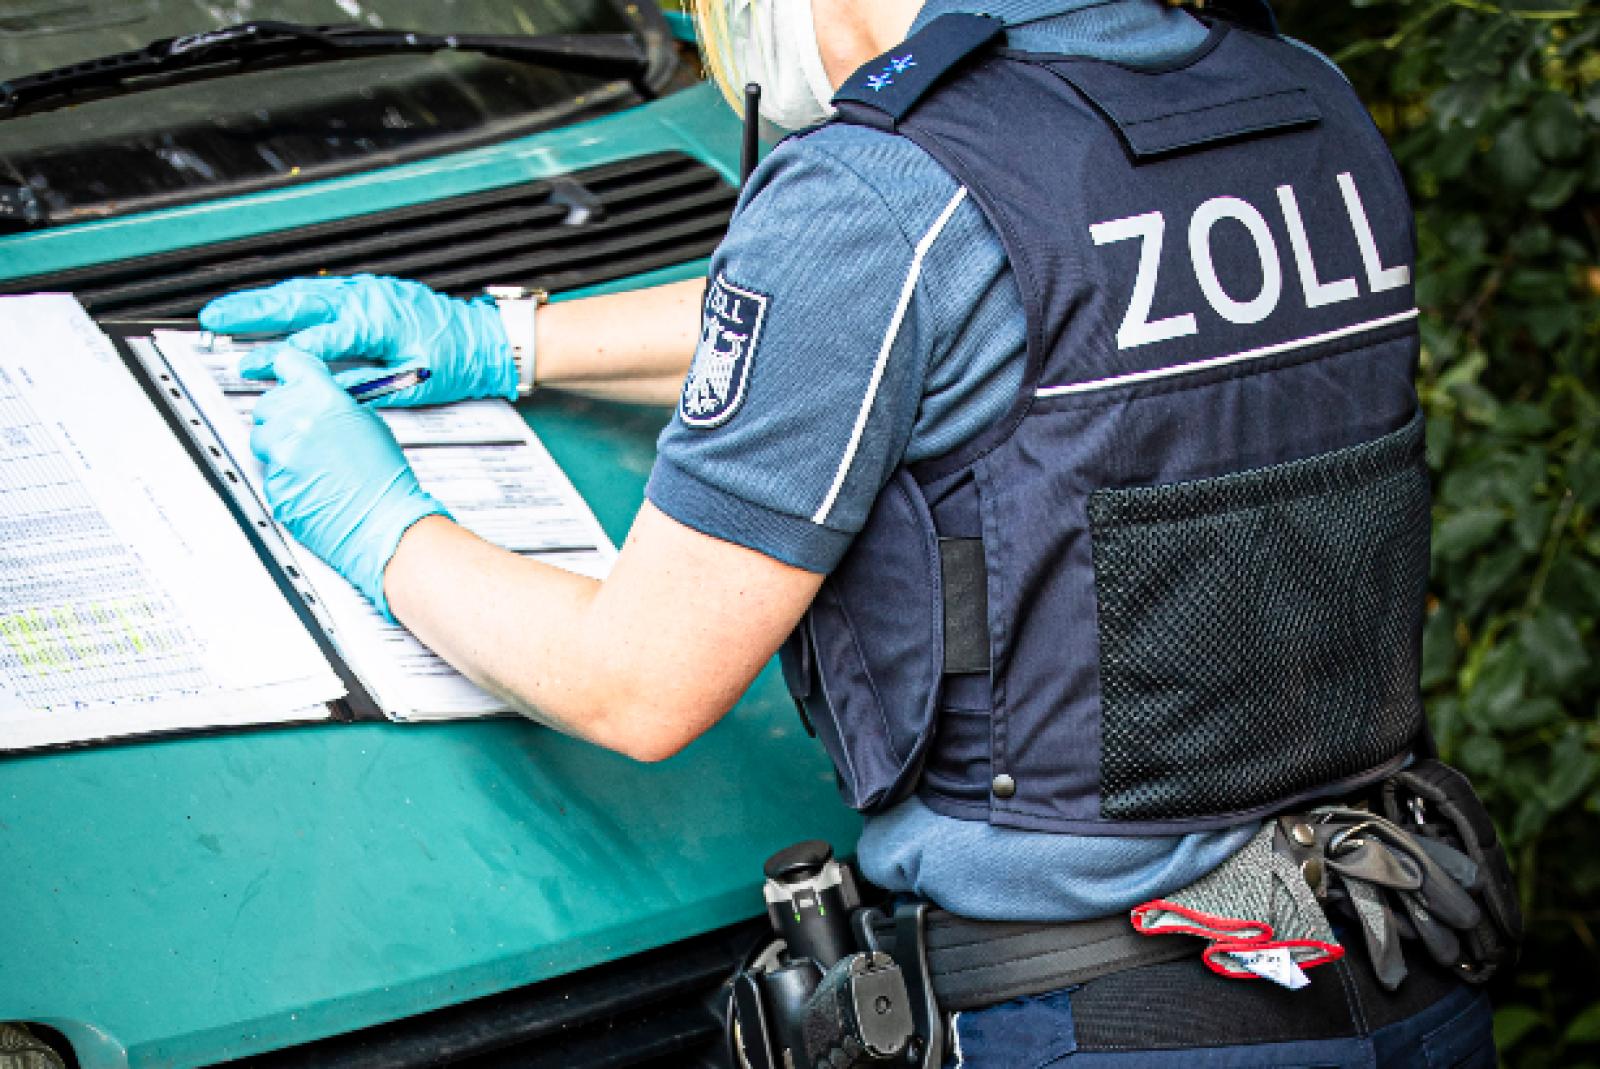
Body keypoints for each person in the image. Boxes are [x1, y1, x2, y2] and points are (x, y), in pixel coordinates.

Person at [200, 0, 1509, 1063]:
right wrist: (512, 340)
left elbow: (635, 684)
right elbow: (928, 323)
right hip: (1402, 957)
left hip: (1107, 1018)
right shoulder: (1301, 100)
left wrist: (379, 524)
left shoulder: (887, 184)